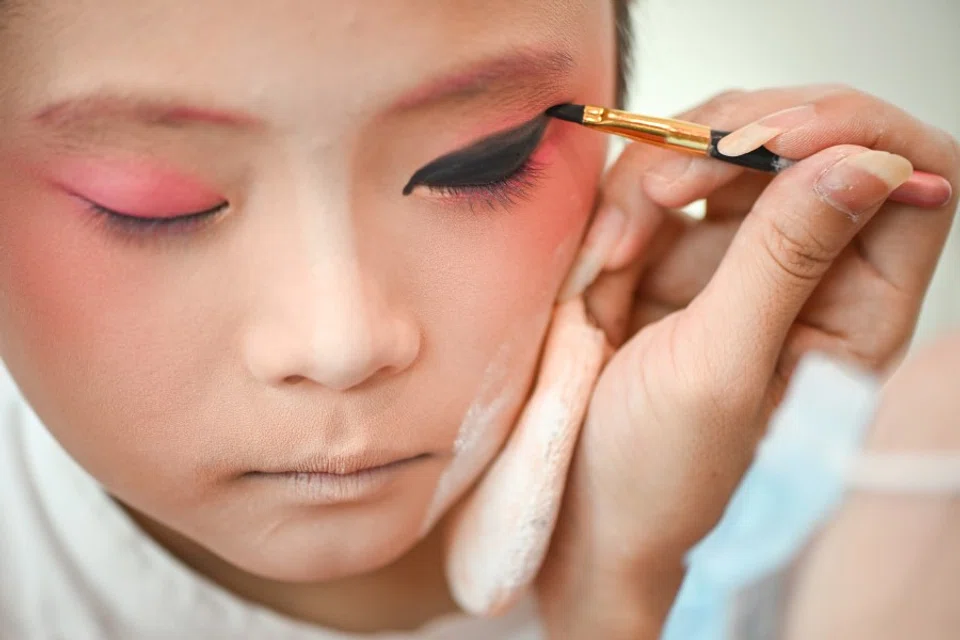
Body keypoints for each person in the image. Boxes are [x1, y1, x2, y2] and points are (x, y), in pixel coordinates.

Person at [0, 1, 956, 638]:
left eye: (481, 163)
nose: (341, 341)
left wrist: (623, 584)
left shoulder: (880, 535)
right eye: (150, 203)